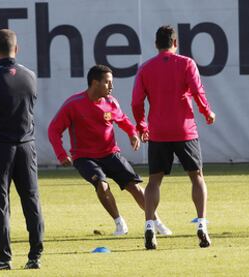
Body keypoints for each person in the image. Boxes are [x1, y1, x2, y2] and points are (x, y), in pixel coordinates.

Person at [48, 65, 171, 237]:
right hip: (85, 157)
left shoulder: (111, 102)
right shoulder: (73, 105)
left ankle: (155, 221)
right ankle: (120, 224)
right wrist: (61, 154)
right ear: (95, 83)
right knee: (102, 184)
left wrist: (132, 134)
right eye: (107, 82)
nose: (111, 86)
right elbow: (53, 129)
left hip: (110, 153)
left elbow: (123, 120)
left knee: (134, 186)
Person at [132, 25, 216, 250]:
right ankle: (201, 224)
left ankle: (150, 225)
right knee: (197, 177)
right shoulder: (186, 63)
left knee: (154, 180)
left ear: (156, 44)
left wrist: (141, 124)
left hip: (158, 131)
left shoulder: (146, 68)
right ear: (175, 43)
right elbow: (198, 91)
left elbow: (136, 102)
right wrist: (207, 112)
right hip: (184, 130)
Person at [0, 29, 44, 270]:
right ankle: (35, 256)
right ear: (17, 48)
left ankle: (5, 258)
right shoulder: (30, 76)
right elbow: (31, 103)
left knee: (0, 203)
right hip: (26, 146)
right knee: (31, 200)